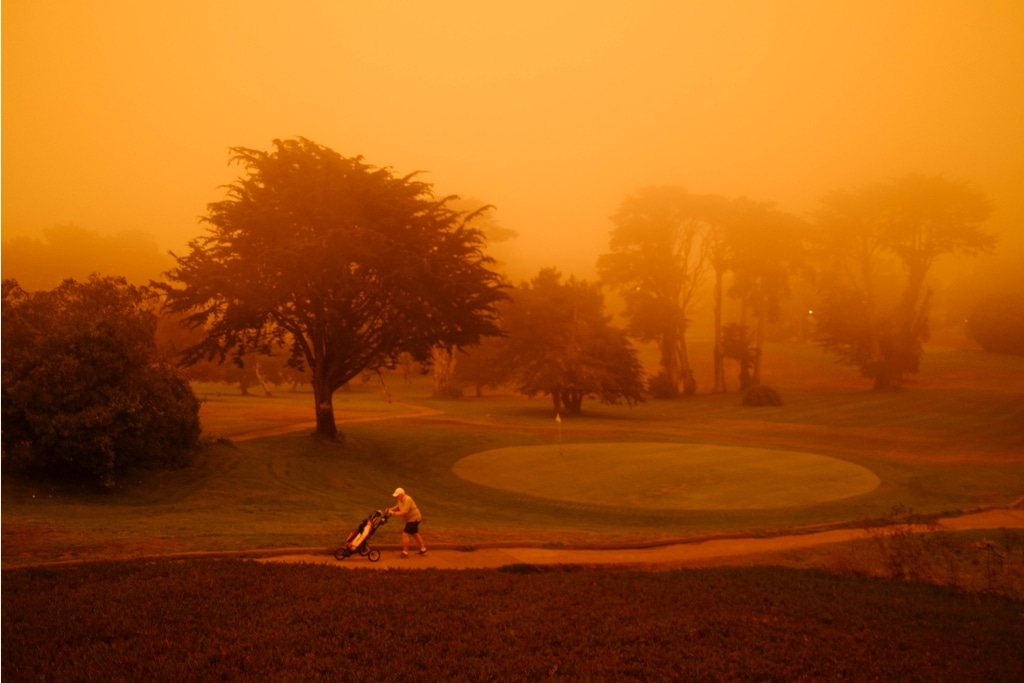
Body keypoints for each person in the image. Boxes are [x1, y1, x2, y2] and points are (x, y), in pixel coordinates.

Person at [387, 487, 426, 557]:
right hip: (411, 519)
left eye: (397, 495)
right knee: (415, 533)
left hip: (414, 518)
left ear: (402, 494)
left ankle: (405, 552)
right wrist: (390, 509)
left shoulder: (408, 499)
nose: (396, 497)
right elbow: (397, 507)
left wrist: (393, 513)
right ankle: (423, 549)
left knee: (405, 533)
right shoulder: (400, 499)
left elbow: (404, 512)